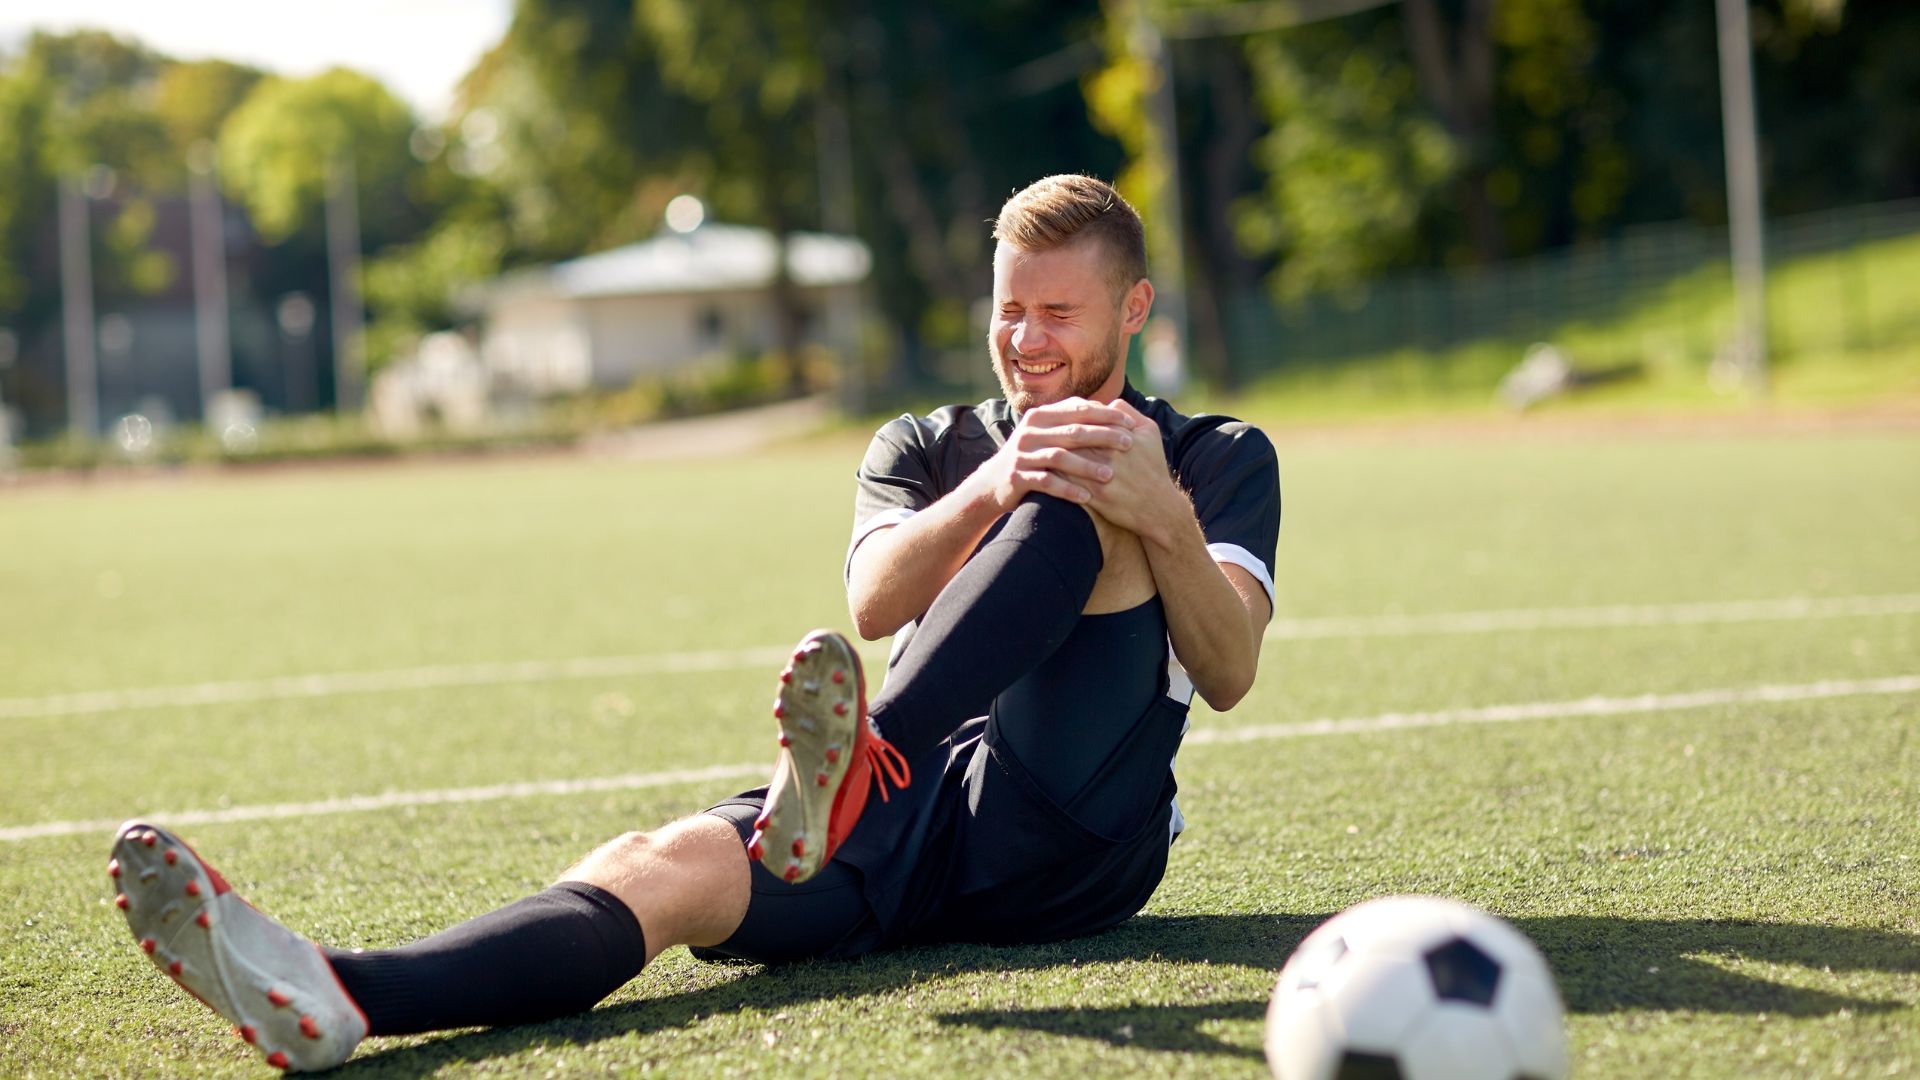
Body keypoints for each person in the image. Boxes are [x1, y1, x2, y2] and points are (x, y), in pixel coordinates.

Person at [108, 174, 1280, 1072]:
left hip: (1068, 828)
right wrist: (993, 483)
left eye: (1058, 314)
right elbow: (875, 601)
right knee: (663, 867)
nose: (1026, 342)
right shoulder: (922, 444)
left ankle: (862, 768)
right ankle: (341, 994)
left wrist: (1160, 516)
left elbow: (1226, 671)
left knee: (1098, 493)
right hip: (907, 815)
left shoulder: (1220, 456)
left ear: (1133, 306)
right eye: (1008, 311)